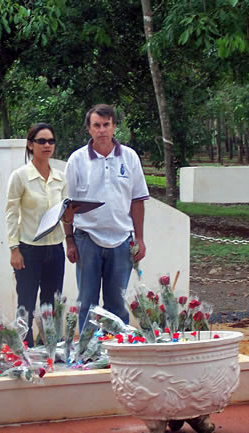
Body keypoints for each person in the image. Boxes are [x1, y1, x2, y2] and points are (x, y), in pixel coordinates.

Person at [64, 104, 150, 331]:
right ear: (89, 129)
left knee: (117, 304)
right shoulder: (77, 160)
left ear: (114, 127)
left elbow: (137, 200)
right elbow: (68, 206)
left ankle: (117, 351)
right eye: (96, 126)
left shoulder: (129, 158)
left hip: (121, 241)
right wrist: (70, 241)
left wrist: (139, 238)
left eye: (106, 125)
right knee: (87, 303)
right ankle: (87, 353)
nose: (101, 130)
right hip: (87, 239)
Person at [5, 123, 76, 346]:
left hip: (54, 249)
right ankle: (23, 347)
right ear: (30, 144)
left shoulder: (60, 178)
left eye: (51, 141)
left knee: (51, 303)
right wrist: (14, 248)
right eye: (41, 141)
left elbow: (64, 214)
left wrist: (70, 218)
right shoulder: (20, 176)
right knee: (25, 303)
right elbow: (11, 214)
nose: (47, 145)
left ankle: (49, 347)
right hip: (28, 249)